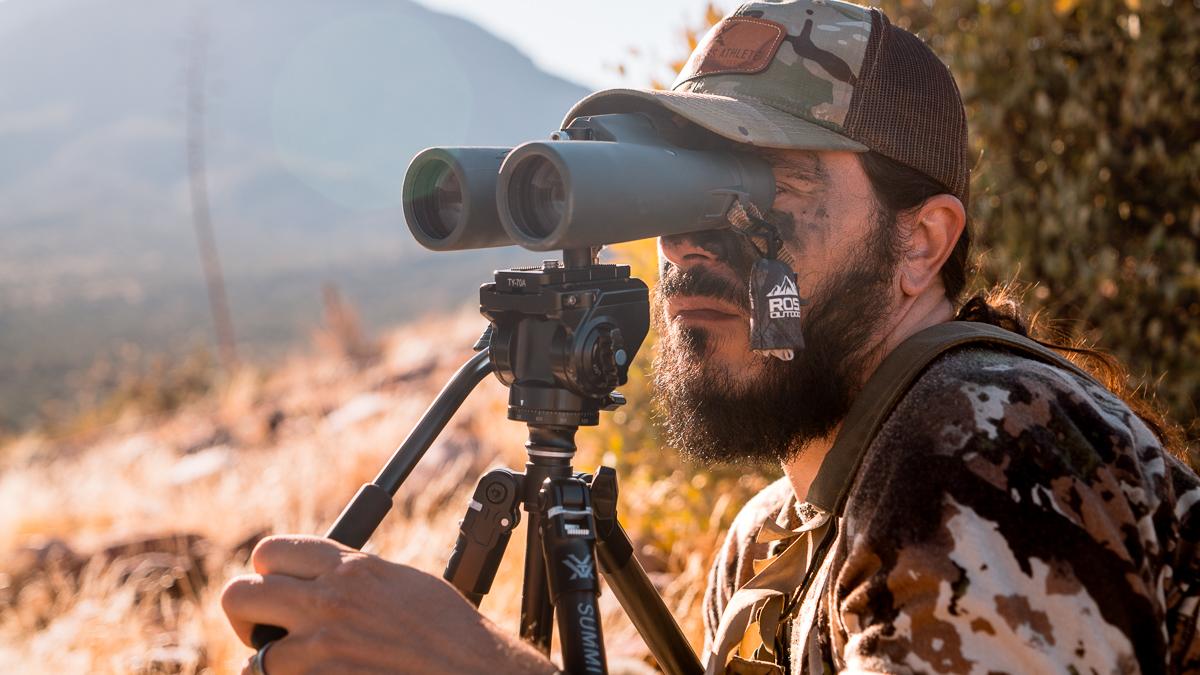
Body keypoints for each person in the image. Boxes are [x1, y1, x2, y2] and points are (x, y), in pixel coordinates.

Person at [221, 1, 1200, 673]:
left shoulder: (981, 446)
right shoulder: (772, 534)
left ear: (921, 241)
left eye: (766, 186)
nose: (689, 238)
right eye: (677, 186)